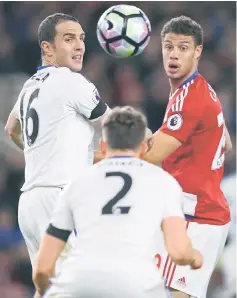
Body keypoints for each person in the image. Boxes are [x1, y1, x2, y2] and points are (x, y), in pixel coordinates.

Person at [33, 106, 203, 298]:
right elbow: (179, 252)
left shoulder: (77, 182)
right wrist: (195, 257)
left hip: (80, 282)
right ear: (143, 148)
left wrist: (45, 291)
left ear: (103, 148)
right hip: (137, 283)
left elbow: (42, 268)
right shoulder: (164, 182)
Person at [4, 13, 110, 270]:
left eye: (82, 39)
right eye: (69, 39)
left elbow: (11, 128)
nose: (79, 46)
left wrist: (42, 153)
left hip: (29, 203)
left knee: (49, 288)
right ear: (47, 48)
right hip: (60, 197)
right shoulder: (70, 80)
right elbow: (114, 123)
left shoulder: (30, 85)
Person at [143, 16, 232, 298]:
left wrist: (94, 155)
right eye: (168, 46)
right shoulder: (199, 89)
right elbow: (226, 143)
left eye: (183, 47)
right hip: (187, 213)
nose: (174, 54)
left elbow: (151, 155)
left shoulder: (189, 98)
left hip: (199, 218)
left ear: (198, 52)